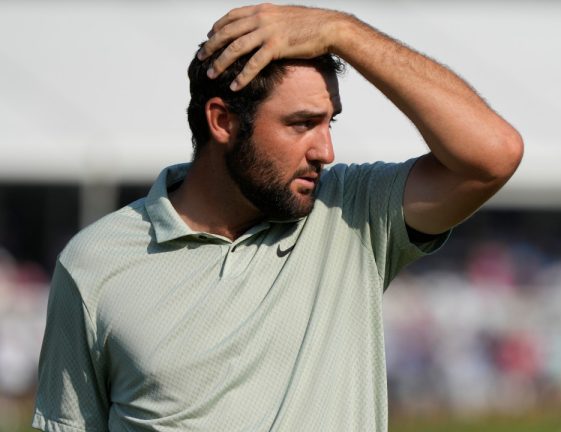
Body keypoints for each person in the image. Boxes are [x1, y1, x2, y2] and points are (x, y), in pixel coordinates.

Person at [33, 4, 523, 431]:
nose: (326, 151)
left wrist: (343, 31)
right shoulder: (95, 263)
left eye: (329, 122)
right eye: (302, 124)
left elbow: (493, 154)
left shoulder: (352, 214)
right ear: (222, 121)